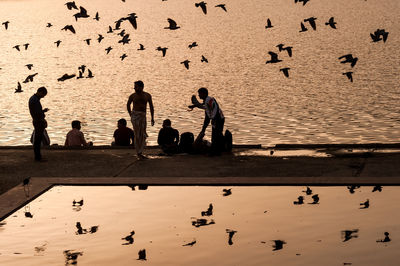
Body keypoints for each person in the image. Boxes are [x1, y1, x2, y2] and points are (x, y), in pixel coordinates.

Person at [188, 87, 225, 155]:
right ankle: (220, 148)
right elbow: (207, 117)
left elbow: (215, 108)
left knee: (216, 135)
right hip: (217, 118)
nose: (199, 95)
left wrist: (214, 118)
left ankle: (216, 151)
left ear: (204, 94)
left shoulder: (210, 100)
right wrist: (203, 129)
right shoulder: (206, 101)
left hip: (218, 118)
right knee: (217, 134)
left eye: (200, 94)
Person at [127, 80, 155, 159]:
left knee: (142, 134)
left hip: (143, 115)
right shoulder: (133, 96)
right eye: (134, 87)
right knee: (137, 134)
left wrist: (152, 118)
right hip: (135, 115)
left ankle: (140, 152)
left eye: (136, 87)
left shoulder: (147, 95)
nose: (134, 88)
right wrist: (131, 114)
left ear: (141, 87)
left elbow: (151, 107)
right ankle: (138, 153)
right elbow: (128, 104)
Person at [28, 87, 49, 161]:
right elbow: (37, 113)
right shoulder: (35, 100)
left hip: (36, 120)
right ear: (40, 92)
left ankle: (38, 156)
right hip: (38, 121)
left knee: (38, 139)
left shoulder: (33, 99)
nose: (43, 96)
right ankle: (38, 157)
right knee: (38, 139)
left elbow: (36, 111)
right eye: (43, 94)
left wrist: (43, 111)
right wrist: (42, 119)